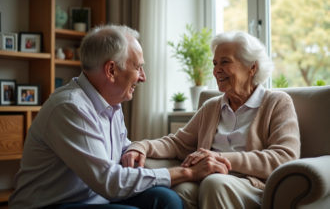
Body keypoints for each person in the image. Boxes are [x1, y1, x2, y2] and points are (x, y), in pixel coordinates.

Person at [9, 25, 230, 209]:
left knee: (167, 200)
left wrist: (135, 148)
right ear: (111, 70)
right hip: (51, 205)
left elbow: (119, 154)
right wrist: (187, 172)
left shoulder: (111, 102)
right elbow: (110, 181)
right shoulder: (70, 108)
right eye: (138, 68)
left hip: (97, 198)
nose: (143, 77)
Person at [122, 31, 301, 209]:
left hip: (251, 185)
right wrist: (141, 146)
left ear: (252, 67)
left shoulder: (277, 102)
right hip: (208, 180)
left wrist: (221, 158)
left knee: (213, 183)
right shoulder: (212, 106)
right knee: (177, 187)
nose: (216, 70)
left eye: (225, 62)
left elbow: (284, 158)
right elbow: (178, 143)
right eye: (215, 63)